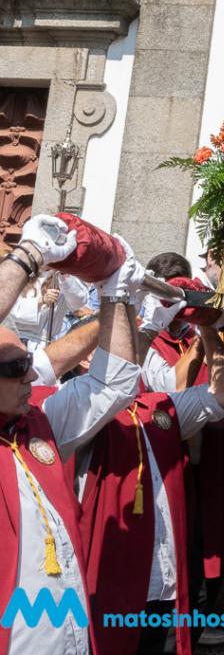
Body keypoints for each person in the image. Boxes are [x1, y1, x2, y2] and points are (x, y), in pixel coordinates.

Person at [0, 214, 143, 655]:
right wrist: (28, 256)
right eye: (15, 368)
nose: (31, 375)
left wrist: (116, 297)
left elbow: (111, 385)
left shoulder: (36, 424)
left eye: (29, 363)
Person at [79, 303, 224, 655]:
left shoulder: (159, 406)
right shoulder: (78, 414)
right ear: (85, 365)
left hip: (161, 580)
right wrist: (151, 325)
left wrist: (208, 330)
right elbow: (109, 388)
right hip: (112, 584)